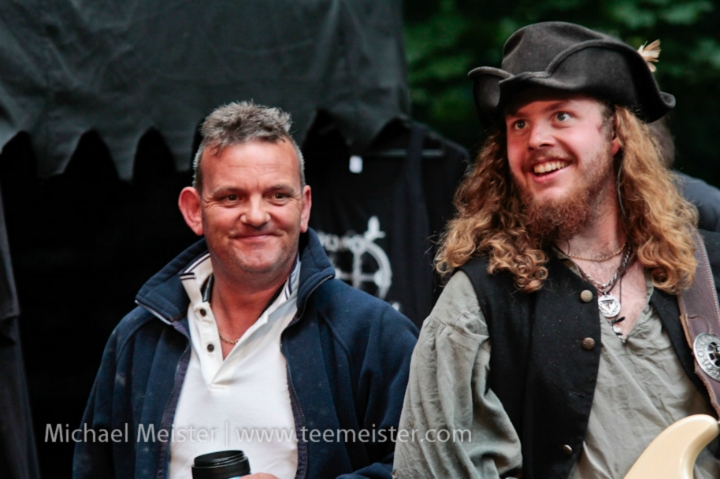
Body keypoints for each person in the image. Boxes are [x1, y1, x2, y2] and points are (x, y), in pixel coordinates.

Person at [393, 22, 720, 479]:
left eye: (561, 115)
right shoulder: (475, 304)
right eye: (519, 123)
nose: (536, 138)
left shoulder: (706, 271)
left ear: (614, 134)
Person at [73, 101, 418, 478]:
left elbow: (425, 469)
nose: (256, 216)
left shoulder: (373, 334)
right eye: (231, 197)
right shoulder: (139, 338)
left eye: (277, 195)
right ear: (193, 210)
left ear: (303, 208)